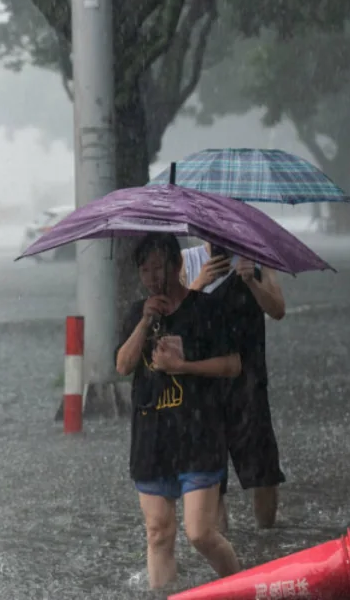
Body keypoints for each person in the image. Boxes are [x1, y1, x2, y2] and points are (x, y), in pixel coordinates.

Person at [115, 233, 243, 590]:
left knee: (200, 533)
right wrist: (144, 322)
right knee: (158, 532)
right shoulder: (137, 314)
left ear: (177, 265)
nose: (152, 277)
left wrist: (184, 367)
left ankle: (243, 589)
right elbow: (123, 365)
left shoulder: (206, 309)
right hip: (152, 439)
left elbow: (233, 365)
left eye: (158, 268)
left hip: (199, 436)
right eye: (144, 270)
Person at [180, 241, 287, 530]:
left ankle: (266, 540)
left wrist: (251, 281)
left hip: (249, 383)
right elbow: (175, 321)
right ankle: (223, 546)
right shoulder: (187, 261)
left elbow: (278, 310)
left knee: (263, 472)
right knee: (211, 479)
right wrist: (199, 284)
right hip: (203, 386)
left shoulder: (258, 258)